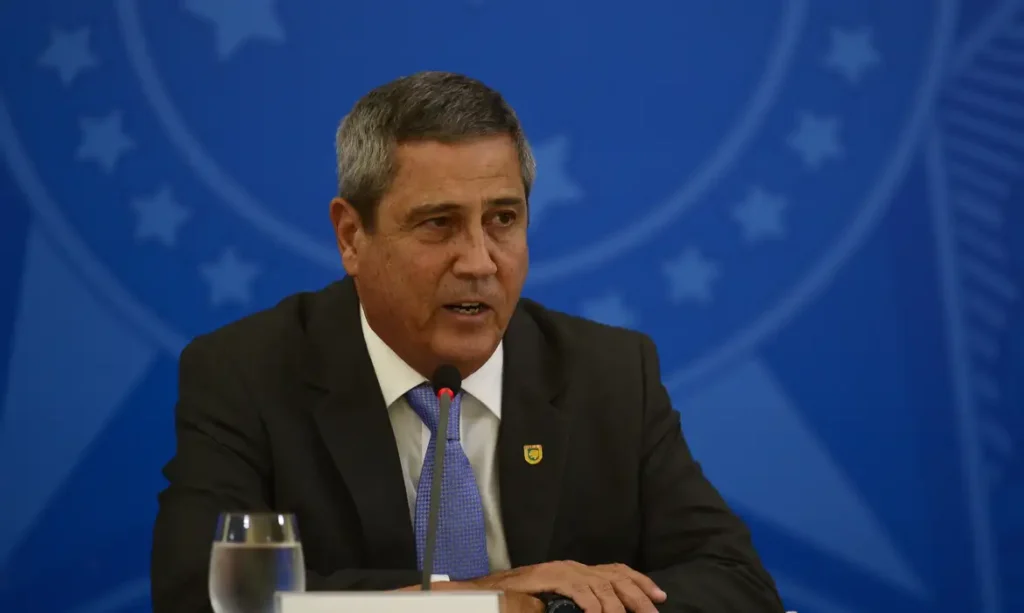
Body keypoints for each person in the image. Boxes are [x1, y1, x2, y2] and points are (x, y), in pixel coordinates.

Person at [150, 71, 785, 613]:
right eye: (439, 223)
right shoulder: (247, 374)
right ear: (351, 237)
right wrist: (482, 599)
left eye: (503, 219)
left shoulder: (611, 374)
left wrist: (548, 608)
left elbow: (738, 585)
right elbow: (200, 596)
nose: (480, 261)